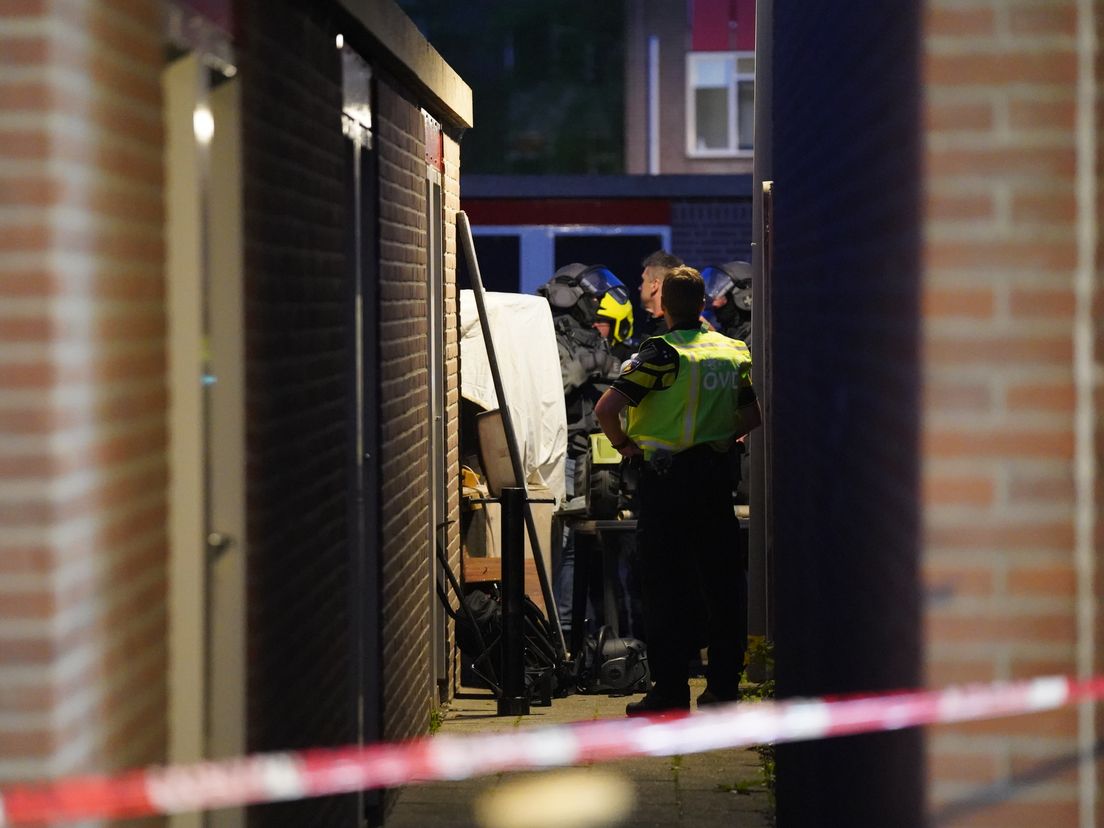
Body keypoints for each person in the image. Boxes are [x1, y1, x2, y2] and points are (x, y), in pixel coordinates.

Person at [594, 266, 761, 715]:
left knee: (665, 588)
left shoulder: (661, 354)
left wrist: (624, 444)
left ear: (664, 306)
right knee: (723, 585)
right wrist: (722, 435)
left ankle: (670, 693)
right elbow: (751, 417)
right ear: (704, 304)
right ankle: (724, 687)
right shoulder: (731, 352)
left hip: (667, 484)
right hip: (716, 481)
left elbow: (606, 408)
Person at [537, 263, 634, 642]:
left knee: (595, 548)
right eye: (591, 295)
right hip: (564, 455)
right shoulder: (547, 334)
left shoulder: (588, 336)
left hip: (596, 454)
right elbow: (558, 384)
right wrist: (593, 365)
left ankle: (586, 635)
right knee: (563, 546)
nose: (597, 303)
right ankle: (560, 637)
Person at [702, 260, 753, 344]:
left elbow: (731, 352)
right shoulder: (730, 327)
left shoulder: (755, 334)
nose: (715, 304)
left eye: (722, 297)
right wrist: (702, 324)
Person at [637, 250, 683, 338]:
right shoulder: (653, 325)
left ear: (654, 285)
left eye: (643, 280)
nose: (639, 287)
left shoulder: (672, 331)